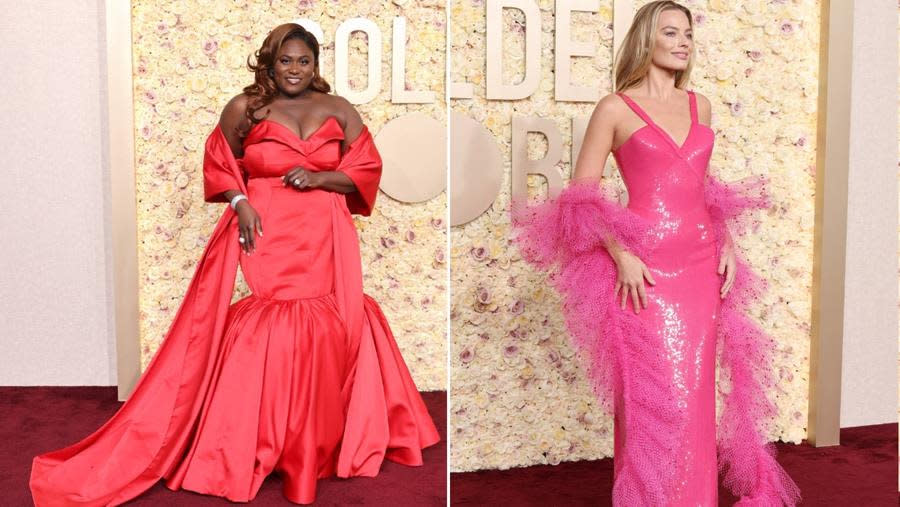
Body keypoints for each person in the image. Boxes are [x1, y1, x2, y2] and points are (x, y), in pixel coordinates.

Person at [30, 23, 440, 506]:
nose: (294, 69)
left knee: (326, 323)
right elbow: (220, 161)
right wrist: (240, 201)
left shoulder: (339, 110)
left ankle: (314, 444)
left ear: (315, 65)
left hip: (325, 230)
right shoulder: (245, 108)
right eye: (285, 61)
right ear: (269, 63)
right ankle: (260, 441)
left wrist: (323, 175)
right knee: (276, 319)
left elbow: (364, 172)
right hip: (265, 225)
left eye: (303, 61)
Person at [511, 2, 801, 505]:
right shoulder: (615, 107)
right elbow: (582, 195)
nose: (684, 41)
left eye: (688, 33)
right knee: (652, 398)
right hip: (644, 268)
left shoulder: (699, 105)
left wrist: (727, 242)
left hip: (701, 261)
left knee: (695, 390)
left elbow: (702, 186)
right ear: (648, 39)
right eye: (672, 32)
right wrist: (621, 255)